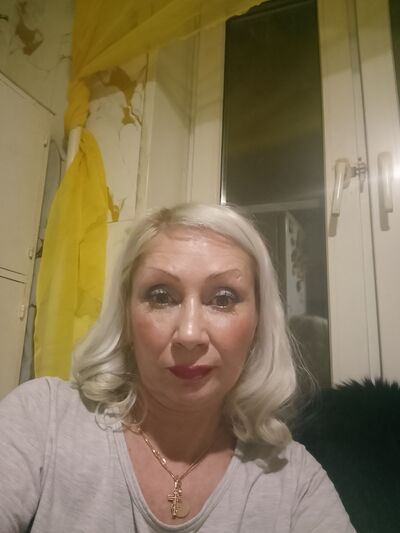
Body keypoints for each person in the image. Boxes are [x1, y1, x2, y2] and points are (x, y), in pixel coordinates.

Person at [0, 203, 355, 532]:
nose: (189, 335)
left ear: (258, 325)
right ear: (126, 317)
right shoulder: (42, 420)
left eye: (223, 299)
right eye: (161, 296)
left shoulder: (295, 482)